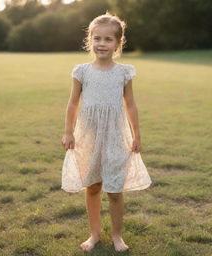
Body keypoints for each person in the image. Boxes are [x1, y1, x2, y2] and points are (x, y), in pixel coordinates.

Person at [61, 11, 152, 252]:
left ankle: (117, 235)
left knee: (114, 189)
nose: (102, 44)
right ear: (89, 40)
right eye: (97, 38)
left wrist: (137, 135)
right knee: (92, 186)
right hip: (88, 136)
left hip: (115, 136)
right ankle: (94, 234)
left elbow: (130, 104)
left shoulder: (124, 72)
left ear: (118, 43)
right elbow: (72, 103)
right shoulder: (81, 71)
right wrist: (68, 132)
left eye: (108, 39)